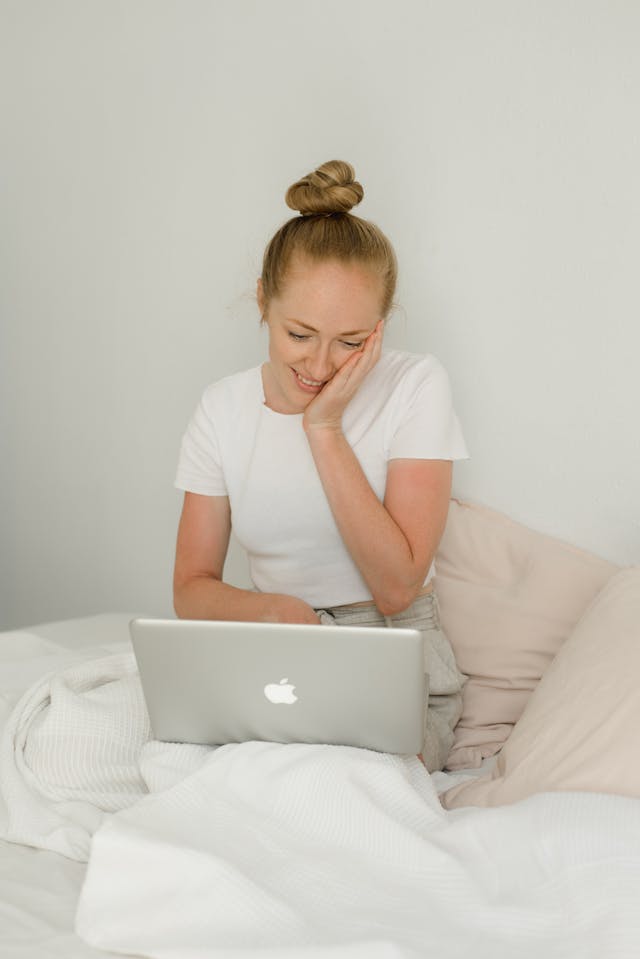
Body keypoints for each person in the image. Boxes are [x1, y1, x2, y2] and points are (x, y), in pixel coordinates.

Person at [173, 160, 469, 771]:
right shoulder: (222, 408)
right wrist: (275, 612)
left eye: (352, 342)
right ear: (262, 300)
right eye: (300, 334)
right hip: (278, 651)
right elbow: (190, 588)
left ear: (380, 330)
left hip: (393, 654)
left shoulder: (417, 385)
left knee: (339, 777)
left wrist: (324, 428)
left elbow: (396, 587)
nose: (323, 365)